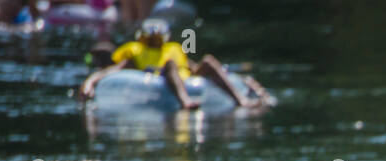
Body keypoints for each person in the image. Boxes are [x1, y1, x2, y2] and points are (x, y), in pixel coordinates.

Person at [78, 18, 269, 111]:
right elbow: (110, 72)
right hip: (158, 81)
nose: (154, 41)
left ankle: (241, 100)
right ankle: (185, 101)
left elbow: (192, 68)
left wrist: (241, 80)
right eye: (150, 38)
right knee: (170, 65)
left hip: (184, 79)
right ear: (143, 38)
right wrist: (89, 84)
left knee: (209, 60)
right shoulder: (135, 53)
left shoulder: (174, 49)